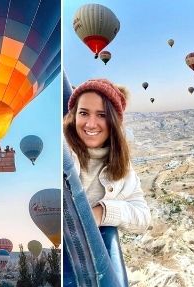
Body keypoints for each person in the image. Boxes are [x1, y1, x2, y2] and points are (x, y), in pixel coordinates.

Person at [63, 78, 151, 232]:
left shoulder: (123, 166)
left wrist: (103, 212)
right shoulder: (62, 151)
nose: (90, 124)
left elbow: (143, 216)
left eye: (102, 115)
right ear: (74, 115)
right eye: (83, 113)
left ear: (114, 121)